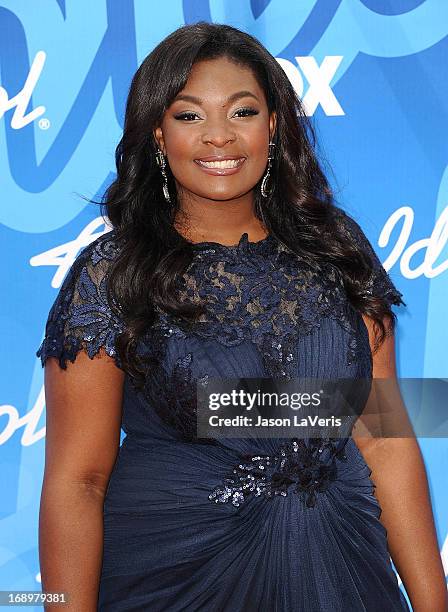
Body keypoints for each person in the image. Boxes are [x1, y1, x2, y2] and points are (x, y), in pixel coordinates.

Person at [36, 22, 446, 612]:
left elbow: (384, 439)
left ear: (274, 126)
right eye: (189, 116)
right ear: (157, 132)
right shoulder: (115, 274)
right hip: (174, 577)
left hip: (339, 573)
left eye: (243, 111)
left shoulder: (338, 251)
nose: (219, 137)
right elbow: (79, 482)